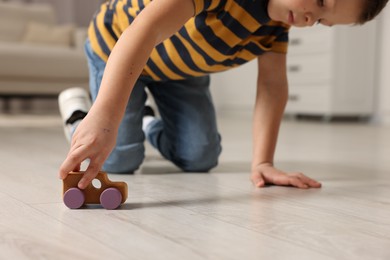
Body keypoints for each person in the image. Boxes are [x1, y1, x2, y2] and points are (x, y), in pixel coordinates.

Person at [58, 0, 388, 190]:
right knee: (120, 158)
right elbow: (145, 31)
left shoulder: (277, 26)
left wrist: (263, 161)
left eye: (320, 21)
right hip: (119, 46)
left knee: (200, 157)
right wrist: (104, 117)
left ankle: (145, 121)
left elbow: (272, 87)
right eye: (318, 1)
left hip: (180, 69)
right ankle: (79, 113)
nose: (308, 19)